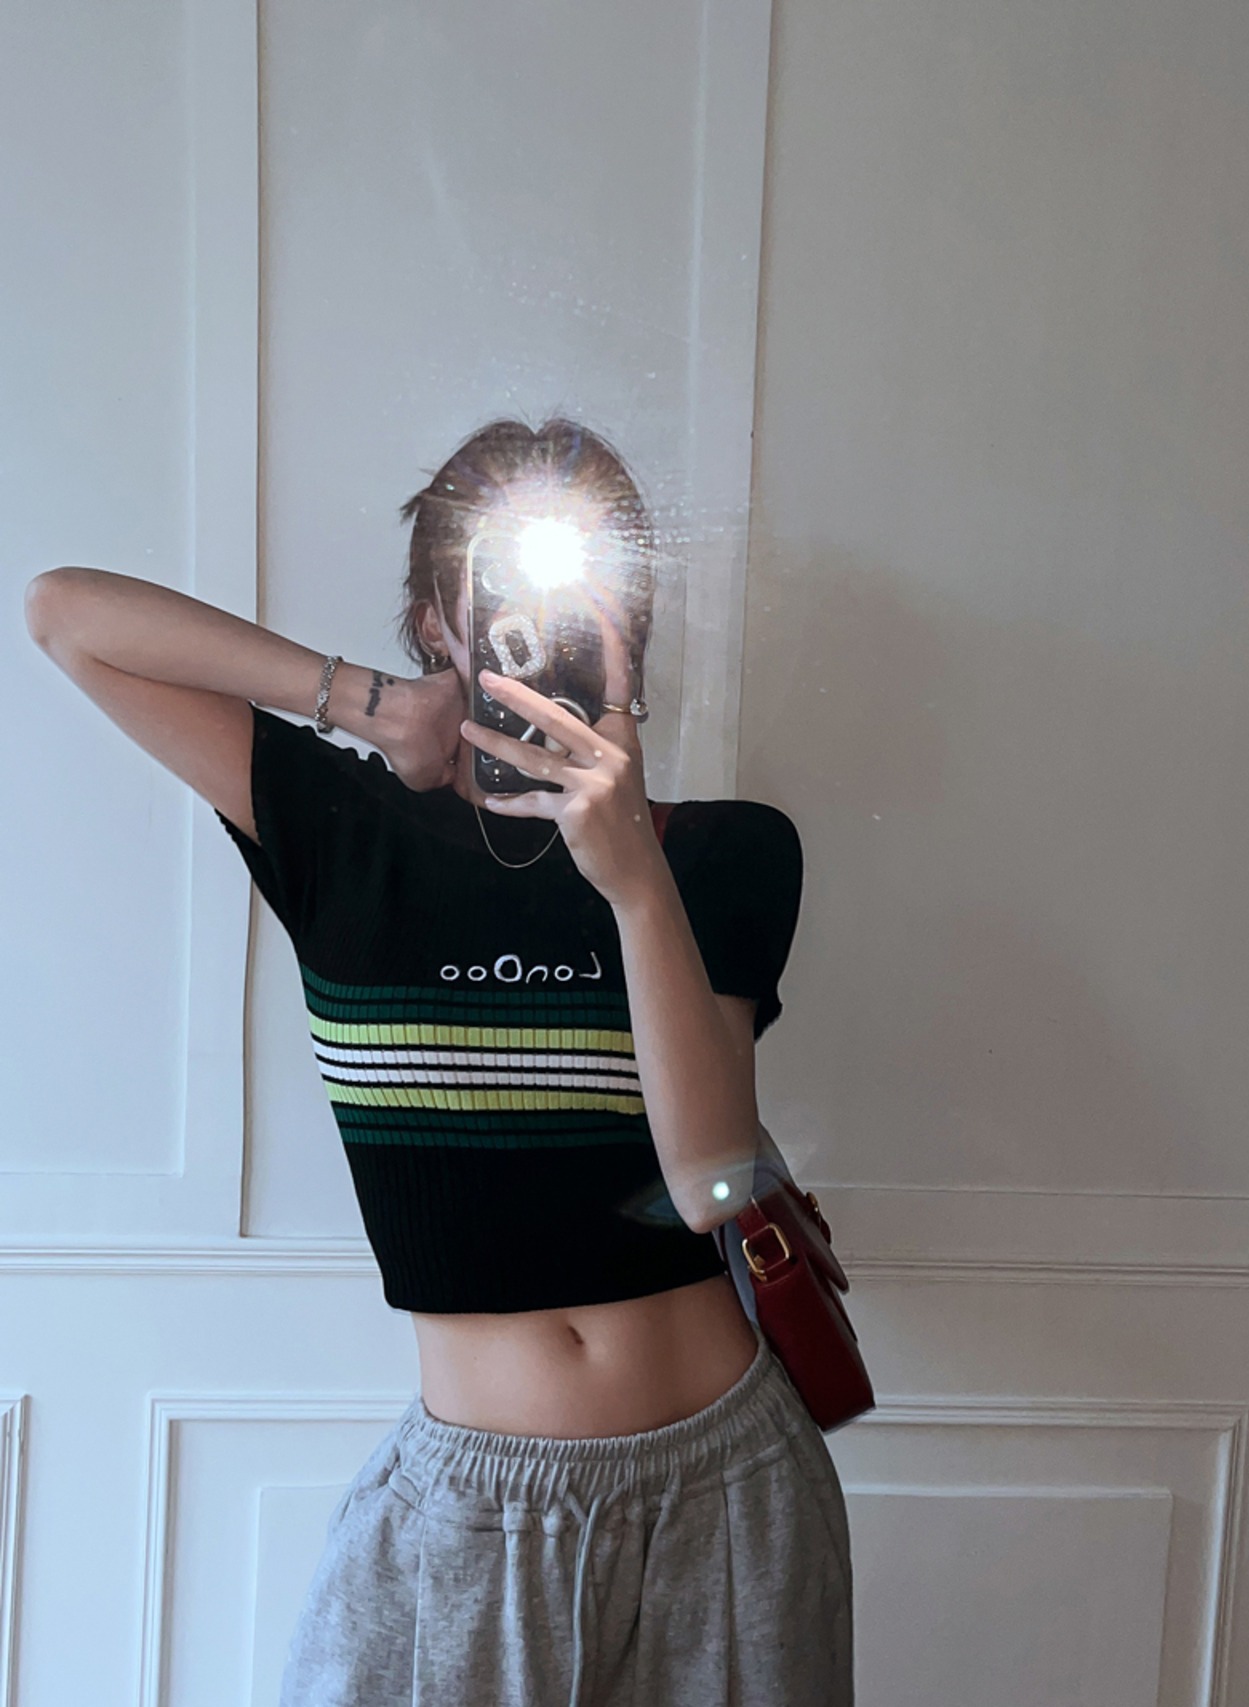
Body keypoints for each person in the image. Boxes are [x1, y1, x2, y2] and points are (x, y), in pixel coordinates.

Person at [25, 416, 854, 1706]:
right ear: (436, 619)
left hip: (728, 1490)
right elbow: (67, 613)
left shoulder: (729, 852)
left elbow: (706, 1186)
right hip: (470, 1504)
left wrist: (634, 879)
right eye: (500, 582)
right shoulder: (343, 832)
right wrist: (370, 703)